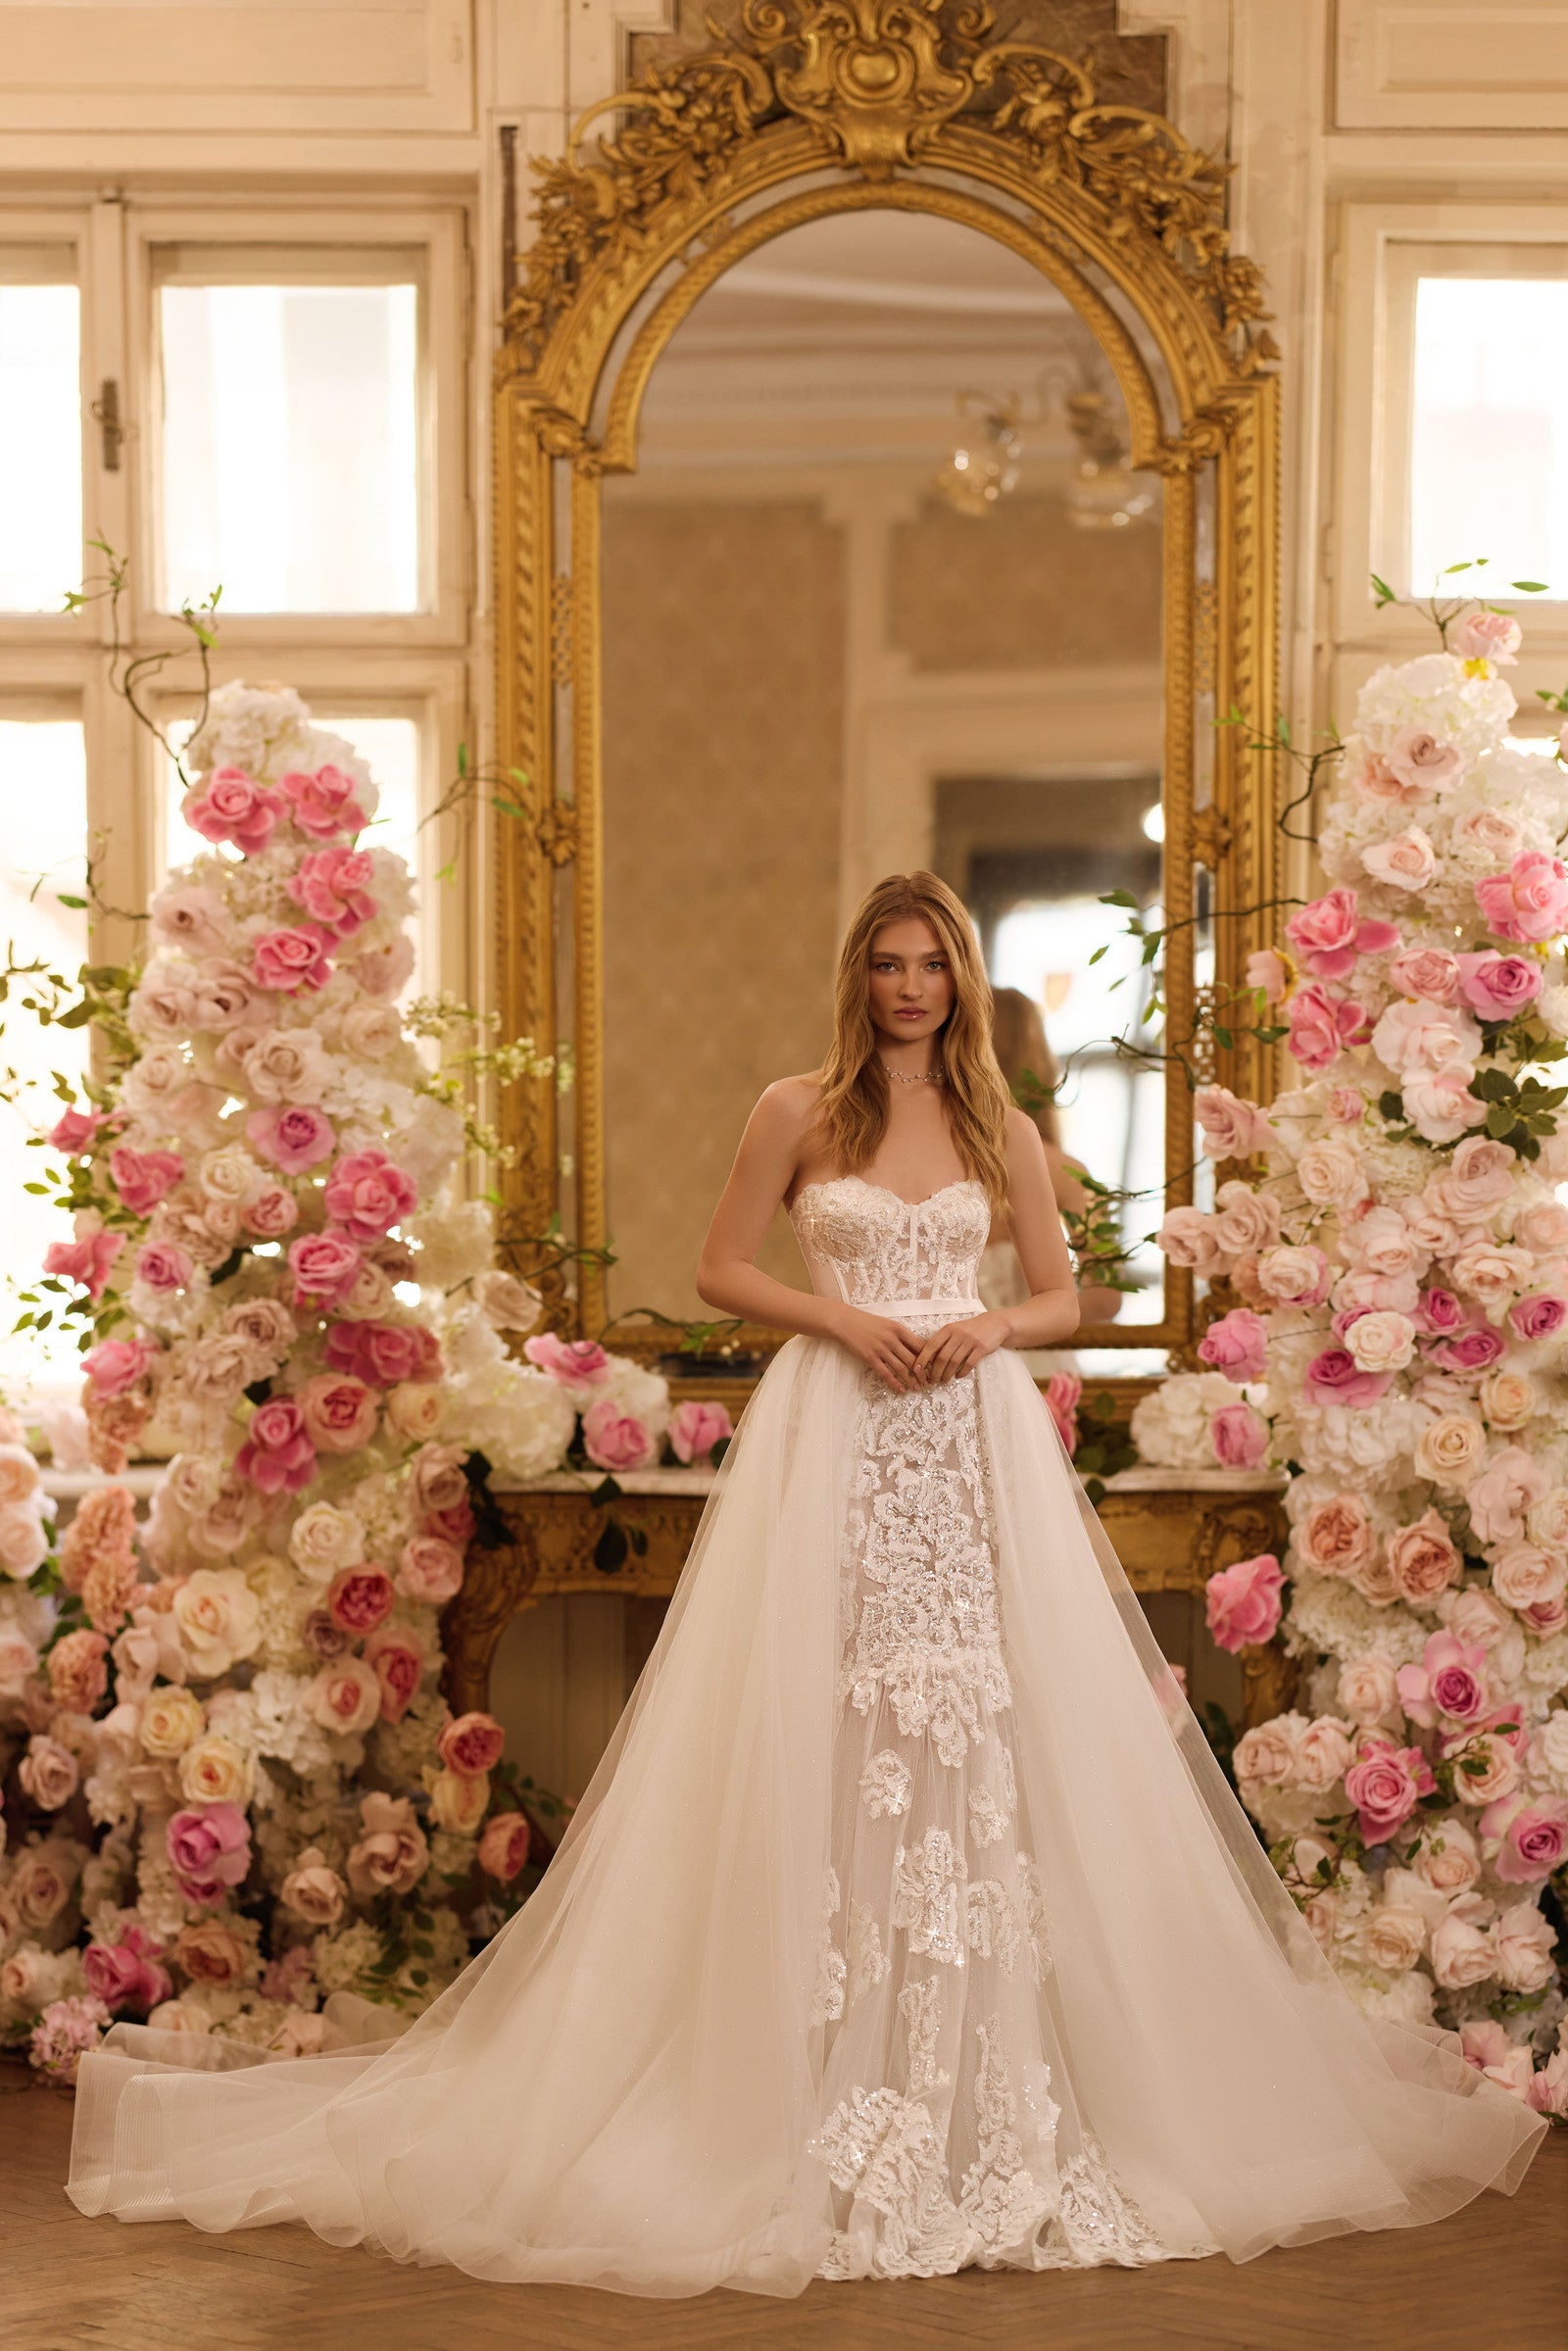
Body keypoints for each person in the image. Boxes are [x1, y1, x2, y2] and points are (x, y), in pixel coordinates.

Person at [67, 870, 1544, 2295]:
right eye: (889, 963)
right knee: (827, 1725)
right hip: (836, 1435)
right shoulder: (797, 1106)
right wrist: (840, 1316)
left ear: (961, 976)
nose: (911, 986)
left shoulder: (1000, 1117)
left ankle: (986, 2092)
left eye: (933, 963)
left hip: (965, 1447)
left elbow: (1068, 1287)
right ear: (861, 976)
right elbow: (720, 1266)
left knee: (983, 1732)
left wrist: (985, 1326)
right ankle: (806, 2083)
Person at [983, 983, 1124, 1335]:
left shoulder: (923, 1153)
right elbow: (1106, 1298)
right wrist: (1037, 1316)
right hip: (1036, 1363)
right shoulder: (1066, 1172)